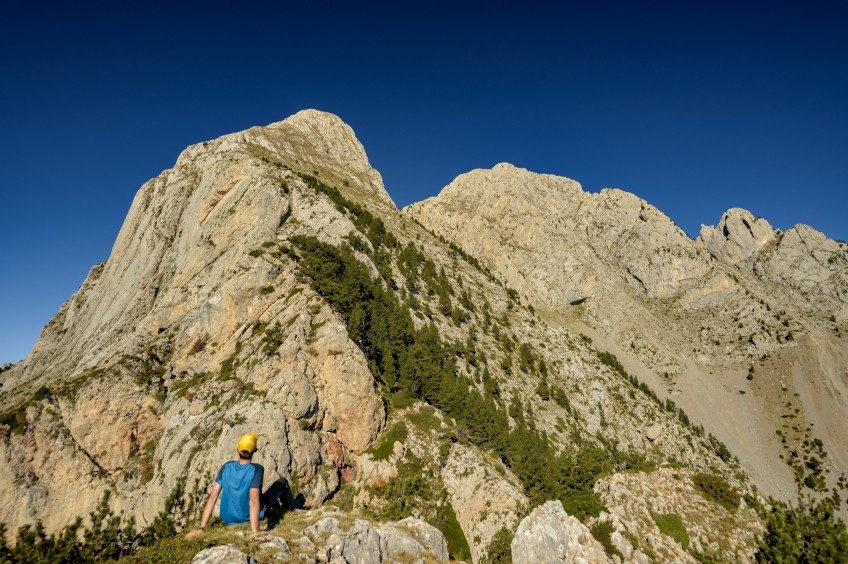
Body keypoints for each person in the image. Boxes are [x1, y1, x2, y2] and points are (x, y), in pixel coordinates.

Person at [185, 433, 285, 538]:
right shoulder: (257, 469)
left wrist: (201, 528)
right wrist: (255, 530)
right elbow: (254, 500)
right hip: (247, 518)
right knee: (282, 482)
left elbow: (213, 497)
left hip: (227, 520)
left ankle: (287, 506)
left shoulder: (226, 467)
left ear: (237, 449)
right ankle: (293, 505)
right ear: (255, 450)